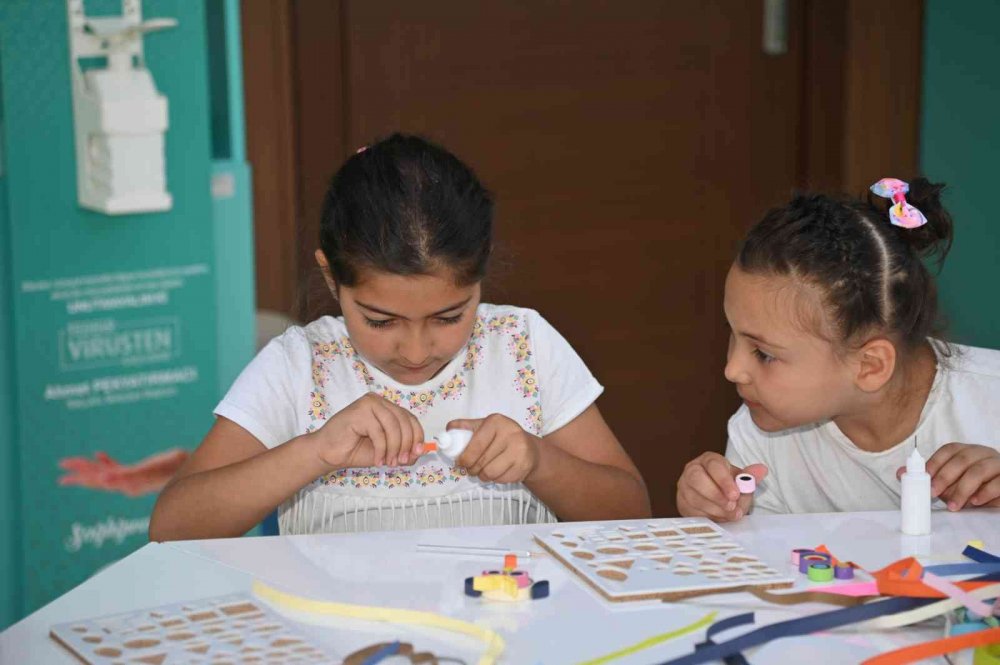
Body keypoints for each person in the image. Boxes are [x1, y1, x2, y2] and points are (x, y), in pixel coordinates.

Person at [150, 134, 650, 539]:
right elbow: (173, 527)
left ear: (480, 278)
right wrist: (315, 451)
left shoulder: (523, 344)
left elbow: (633, 512)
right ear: (331, 279)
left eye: (450, 316)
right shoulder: (301, 365)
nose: (415, 352)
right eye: (381, 321)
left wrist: (541, 461)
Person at [677, 177, 1000, 521]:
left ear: (870, 366)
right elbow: (757, 563)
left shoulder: (989, 402)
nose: (732, 370)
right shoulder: (758, 435)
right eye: (733, 334)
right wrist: (715, 514)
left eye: (763, 353)